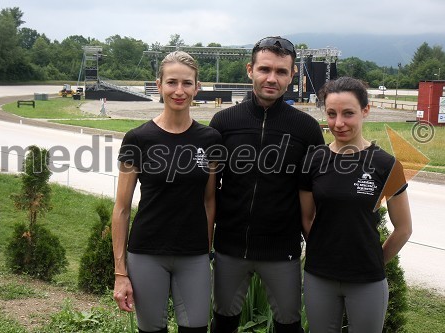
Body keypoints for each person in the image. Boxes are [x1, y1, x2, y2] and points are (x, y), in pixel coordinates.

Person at [209, 36, 325, 333]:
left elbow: (315, 194)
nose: (272, 78)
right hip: (230, 247)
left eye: (281, 71)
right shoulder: (223, 123)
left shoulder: (306, 129)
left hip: (282, 250)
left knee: (289, 325)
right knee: (223, 322)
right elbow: (208, 190)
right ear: (250, 70)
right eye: (264, 69)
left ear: (293, 74)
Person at [112, 51, 221, 333]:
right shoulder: (138, 139)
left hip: (194, 255)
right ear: (159, 85)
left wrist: (205, 246)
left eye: (187, 83)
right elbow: (122, 209)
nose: (179, 91)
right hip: (147, 252)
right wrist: (120, 272)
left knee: (196, 327)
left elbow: (210, 201)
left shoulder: (209, 140)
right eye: (172, 82)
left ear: (197, 87)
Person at [299, 76, 413, 333]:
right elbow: (306, 218)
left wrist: (374, 260)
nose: (338, 123)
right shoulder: (313, 161)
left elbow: (403, 228)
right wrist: (321, 250)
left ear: (365, 110)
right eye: (331, 114)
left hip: (367, 280)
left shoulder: (386, 165)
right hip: (320, 276)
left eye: (348, 113)